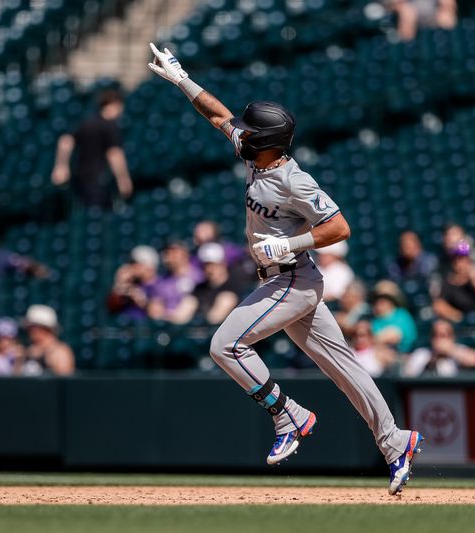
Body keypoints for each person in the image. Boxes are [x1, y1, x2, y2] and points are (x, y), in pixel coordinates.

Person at [148, 43, 422, 495]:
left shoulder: (294, 179)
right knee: (345, 368)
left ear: (263, 140)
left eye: (250, 129)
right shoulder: (259, 153)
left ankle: (289, 414)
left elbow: (339, 227)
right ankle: (396, 441)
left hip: (292, 277)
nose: (242, 131)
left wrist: (290, 242)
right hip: (286, 279)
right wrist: (182, 79)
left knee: (226, 344)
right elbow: (219, 115)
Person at [51, 89, 133, 207]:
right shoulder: (111, 127)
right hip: (100, 179)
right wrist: (123, 179)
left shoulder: (87, 122)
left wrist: (61, 166)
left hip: (80, 178)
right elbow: (114, 154)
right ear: (114, 104)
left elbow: (65, 141)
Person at [433, 240, 475, 322]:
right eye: (457, 259)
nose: (460, 263)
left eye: (464, 259)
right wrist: (460, 317)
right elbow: (438, 306)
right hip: (461, 328)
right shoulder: (447, 283)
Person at [182, 242, 244, 325]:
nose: (209, 269)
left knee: (226, 299)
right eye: (206, 265)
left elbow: (215, 319)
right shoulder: (199, 288)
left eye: (213, 264)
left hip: (225, 332)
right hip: (198, 331)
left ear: (223, 263)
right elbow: (182, 314)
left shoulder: (233, 286)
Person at [403, 319, 475, 376]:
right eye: (435, 335)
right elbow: (407, 374)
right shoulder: (422, 353)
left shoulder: (458, 350)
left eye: (443, 335)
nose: (439, 340)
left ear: (452, 337)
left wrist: (450, 351)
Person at [148, 241, 201, 323]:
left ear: (185, 253)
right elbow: (155, 308)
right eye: (168, 252)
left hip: (194, 326)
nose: (170, 255)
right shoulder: (162, 282)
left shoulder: (198, 276)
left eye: (174, 251)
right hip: (167, 325)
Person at [106, 245, 160, 320]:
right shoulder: (130, 284)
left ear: (149, 266)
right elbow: (111, 307)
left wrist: (142, 301)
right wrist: (120, 283)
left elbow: (157, 315)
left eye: (136, 263)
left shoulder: (160, 285)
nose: (132, 266)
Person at [20, 305, 75, 376]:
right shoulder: (28, 350)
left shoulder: (60, 352)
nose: (29, 330)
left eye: (32, 327)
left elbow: (65, 381)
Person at [370, 285, 417, 354]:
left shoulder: (401, 315)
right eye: (376, 301)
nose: (378, 304)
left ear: (391, 301)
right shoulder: (375, 320)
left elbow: (394, 335)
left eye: (383, 300)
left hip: (402, 355)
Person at [383, 0, 458, 41]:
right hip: (411, 12)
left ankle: (445, 47)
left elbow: (449, 4)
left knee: (446, 16)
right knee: (408, 14)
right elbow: (396, 3)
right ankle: (408, 48)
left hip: (433, 13)